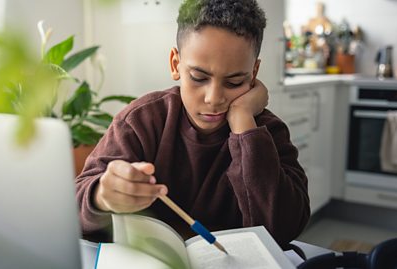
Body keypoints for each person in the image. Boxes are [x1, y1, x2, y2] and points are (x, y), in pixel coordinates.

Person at [76, 0, 310, 249]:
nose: (214, 98)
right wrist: (102, 196)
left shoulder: (266, 133)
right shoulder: (141, 121)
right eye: (199, 77)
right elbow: (75, 207)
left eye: (234, 82)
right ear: (176, 64)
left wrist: (243, 121)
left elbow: (283, 229)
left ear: (253, 72)